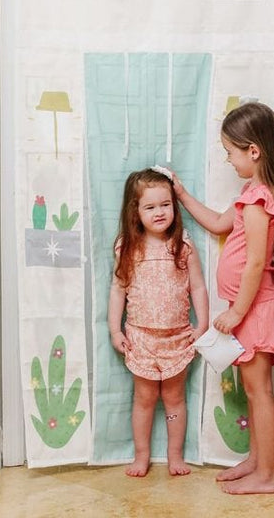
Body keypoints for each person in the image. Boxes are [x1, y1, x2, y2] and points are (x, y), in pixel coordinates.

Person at [172, 101, 274, 495]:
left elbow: (256, 262)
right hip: (247, 310)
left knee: (260, 392)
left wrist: (237, 311)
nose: (228, 160)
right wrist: (182, 195)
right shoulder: (249, 193)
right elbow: (219, 223)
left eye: (230, 152)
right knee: (253, 392)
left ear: (252, 150)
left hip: (254, 310)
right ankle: (257, 461)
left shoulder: (259, 200)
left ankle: (267, 475)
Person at [108, 167, 209, 478]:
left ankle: (175, 455)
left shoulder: (183, 245)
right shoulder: (127, 247)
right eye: (150, 207)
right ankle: (141, 456)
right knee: (145, 399)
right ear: (135, 211)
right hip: (140, 338)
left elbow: (197, 287)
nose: (160, 212)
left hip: (178, 338)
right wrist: (115, 329)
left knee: (174, 399)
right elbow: (118, 289)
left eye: (165, 204)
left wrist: (202, 324)